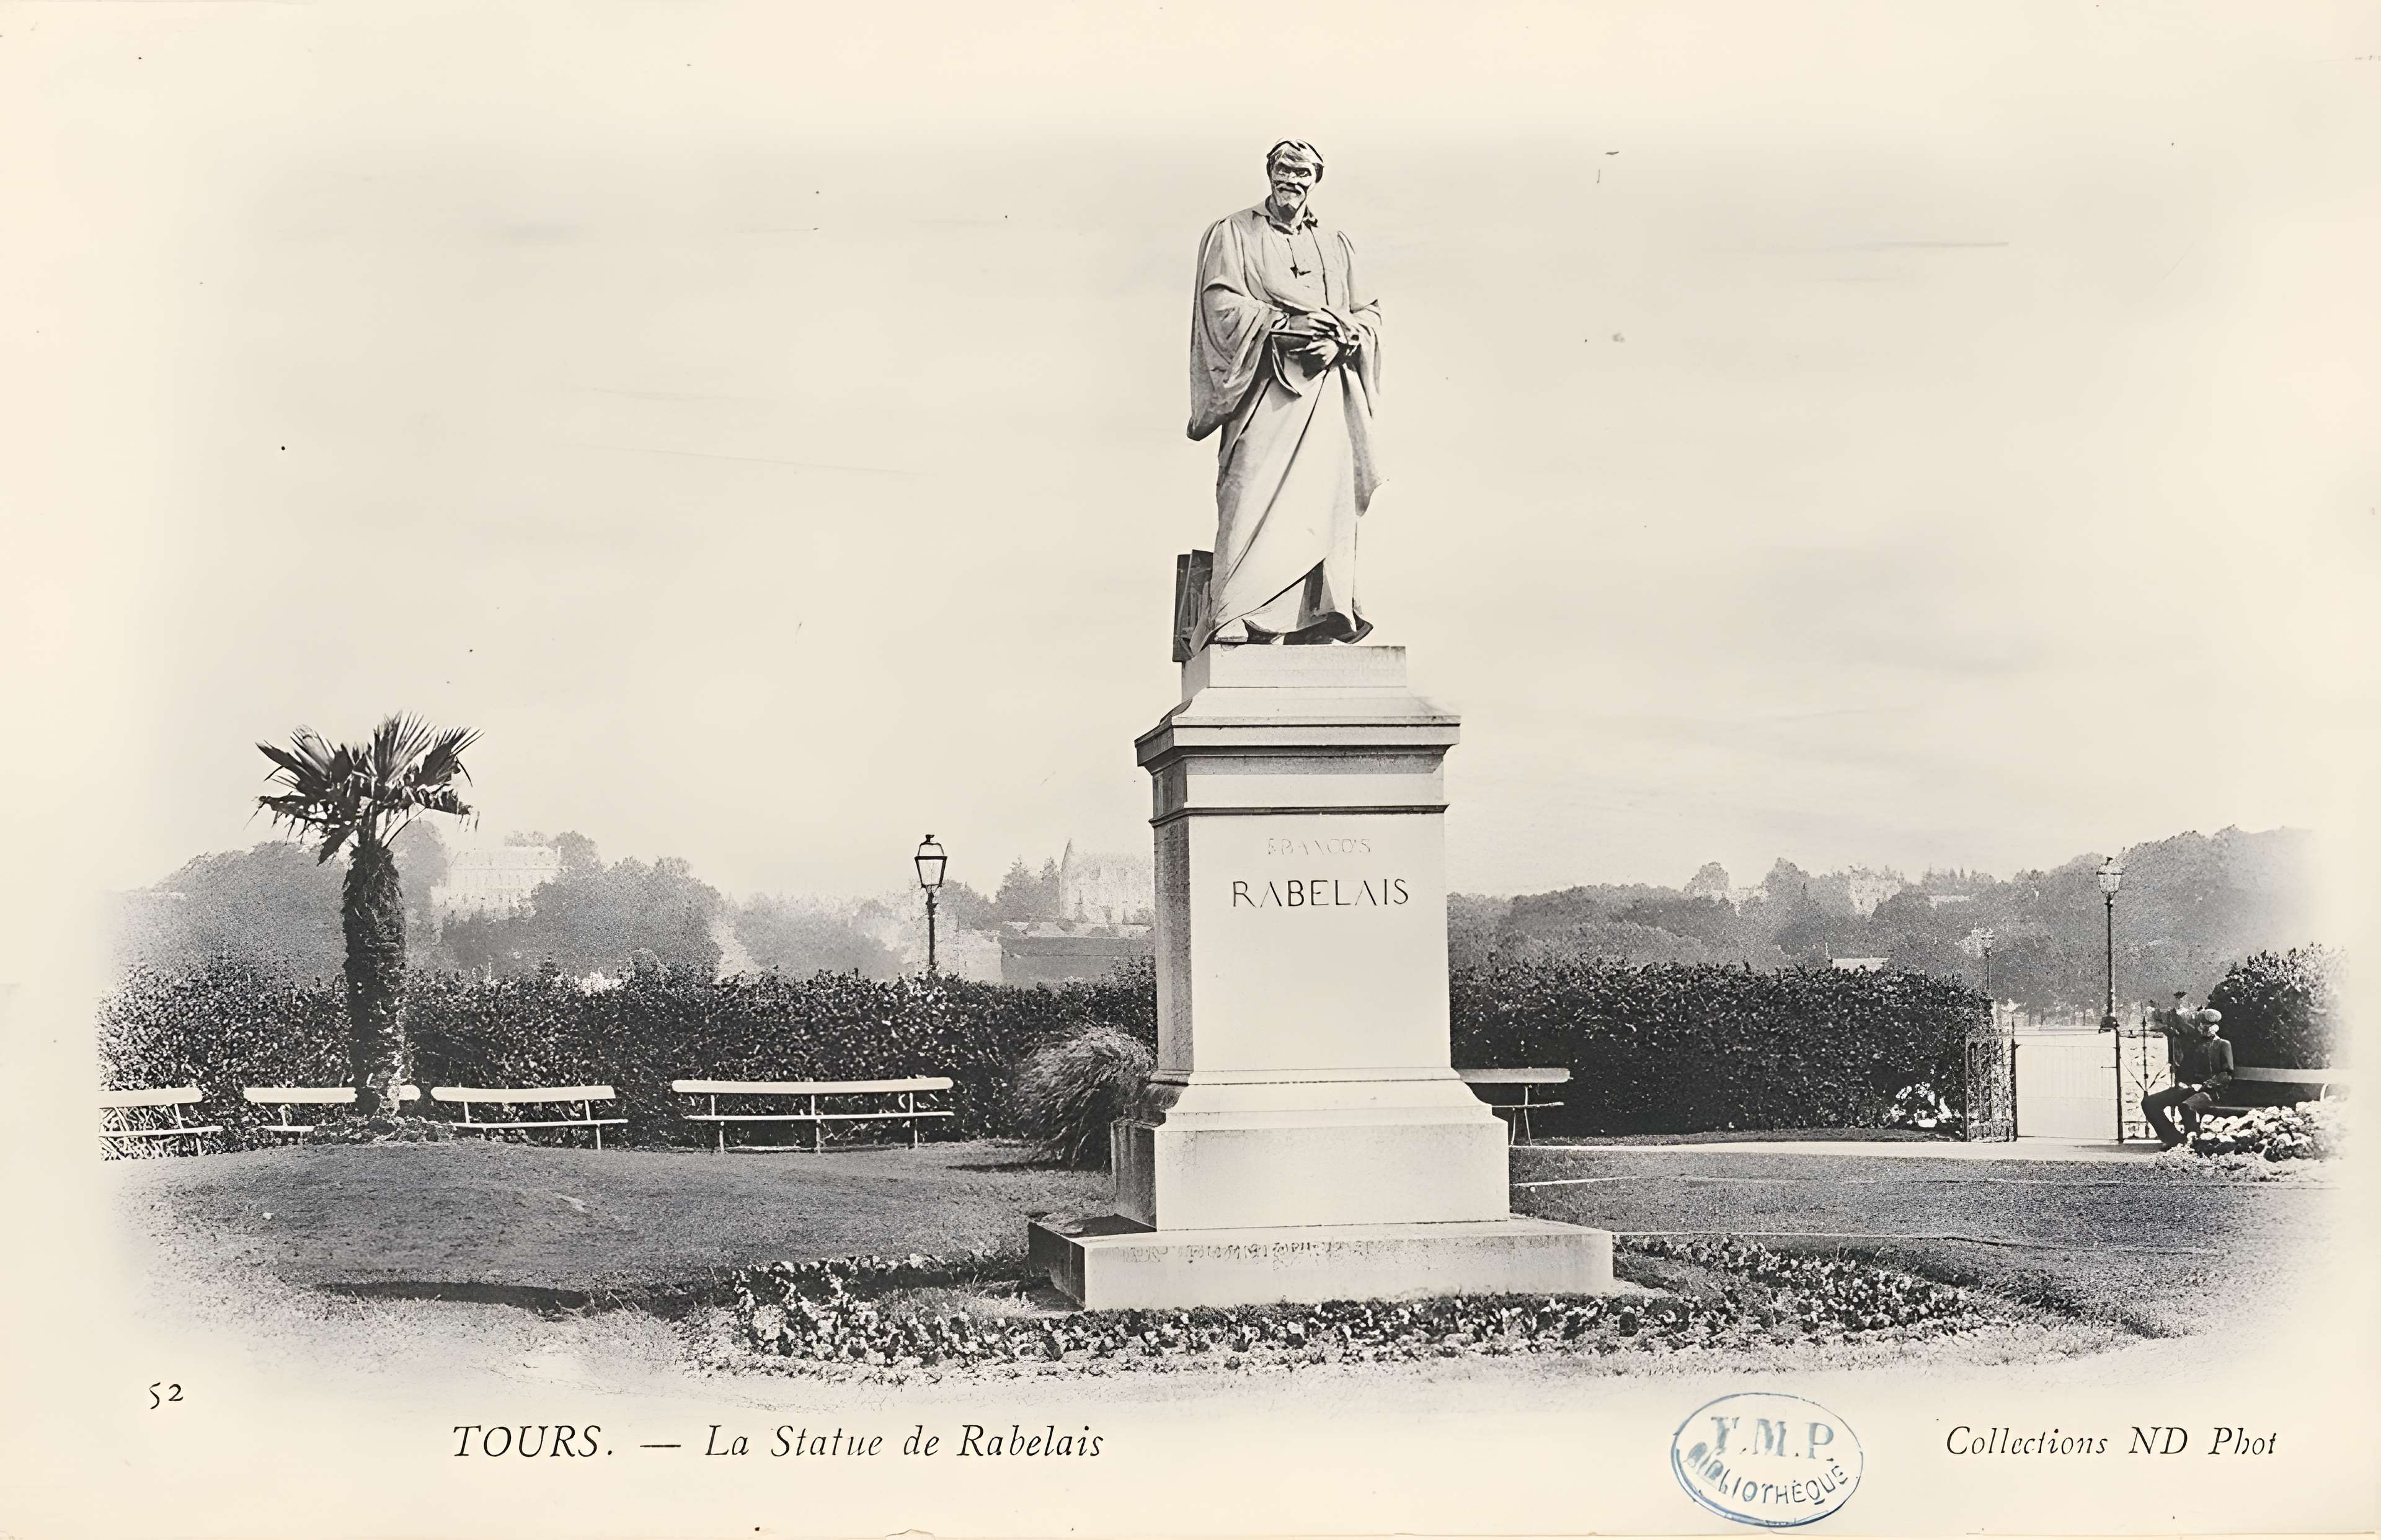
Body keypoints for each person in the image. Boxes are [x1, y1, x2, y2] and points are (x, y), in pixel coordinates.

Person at [1187, 139, 1383, 648]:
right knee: (1249, 489)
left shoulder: (1336, 243)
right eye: (1283, 170)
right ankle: (1233, 611)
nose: (1291, 182)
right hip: (1263, 388)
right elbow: (1221, 306)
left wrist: (1340, 339)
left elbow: (1367, 313)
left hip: (1326, 393)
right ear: (1269, 173)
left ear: (1316, 180)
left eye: (1302, 174)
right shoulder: (1234, 233)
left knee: (1321, 499)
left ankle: (1317, 617)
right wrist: (1286, 325)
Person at [2137, 1008, 2235, 1150]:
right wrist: (2183, 1082)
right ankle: (2174, 1139)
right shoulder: (2194, 1045)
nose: (2202, 1028)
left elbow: (2226, 1074)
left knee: (2186, 1105)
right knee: (2149, 1103)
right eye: (2201, 1024)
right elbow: (2185, 1068)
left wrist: (2204, 1086)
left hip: (2211, 1092)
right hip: (2189, 1088)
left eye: (2206, 1025)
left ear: (2215, 1026)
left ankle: (2192, 1140)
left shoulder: (2223, 1045)